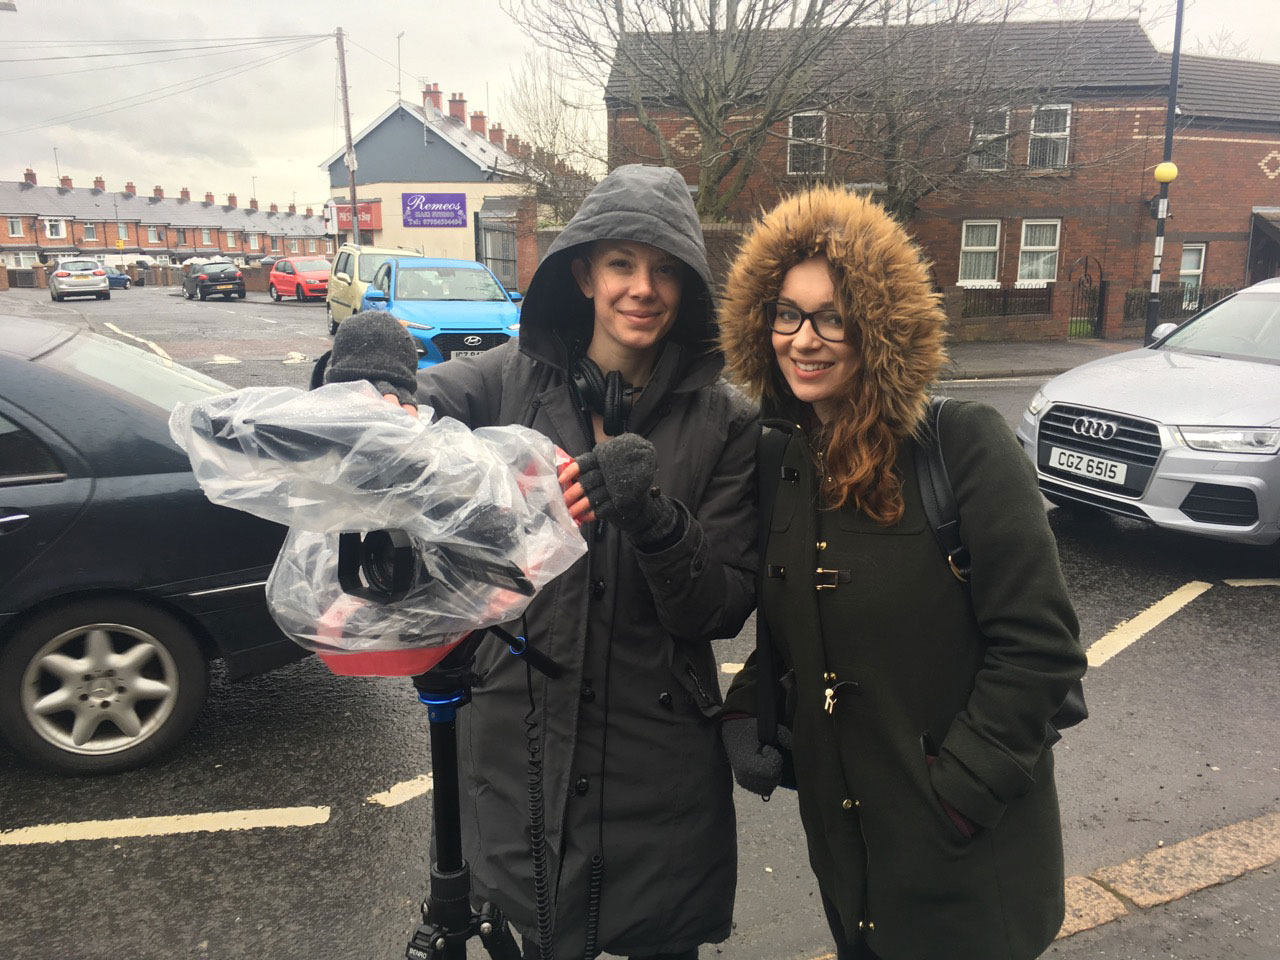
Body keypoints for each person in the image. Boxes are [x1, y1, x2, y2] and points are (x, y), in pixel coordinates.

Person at [358, 164, 757, 960]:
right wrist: (371, 384)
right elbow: (402, 415)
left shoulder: (727, 423)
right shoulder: (504, 380)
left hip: (659, 761)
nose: (643, 289)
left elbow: (717, 609)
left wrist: (651, 518)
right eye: (622, 264)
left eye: (666, 269)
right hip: (518, 743)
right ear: (583, 273)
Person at [715, 186, 1087, 960]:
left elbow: (1040, 649)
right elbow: (796, 619)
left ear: (880, 328)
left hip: (966, 865)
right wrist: (749, 706)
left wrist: (956, 799)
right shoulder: (781, 457)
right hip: (847, 857)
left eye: (832, 315)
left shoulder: (965, 446)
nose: (804, 339)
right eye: (786, 313)